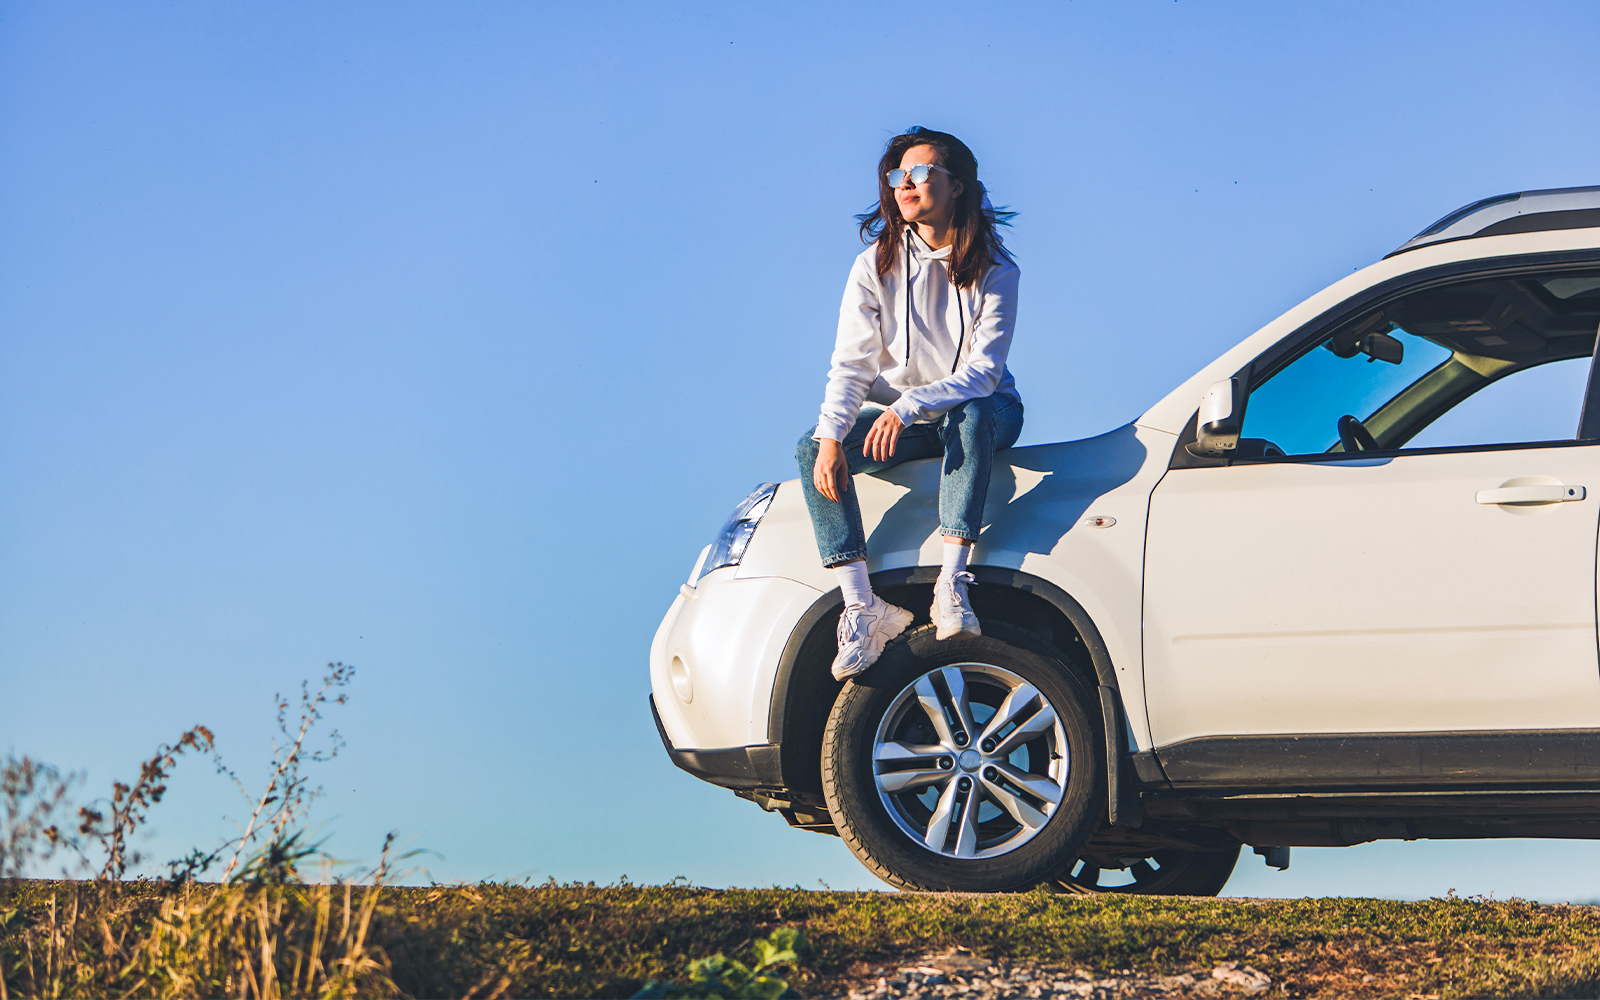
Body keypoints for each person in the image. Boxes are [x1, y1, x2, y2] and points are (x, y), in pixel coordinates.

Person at [796, 126, 1024, 682]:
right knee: (812, 449)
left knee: (969, 416)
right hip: (909, 418)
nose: (905, 184)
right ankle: (862, 606)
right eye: (898, 175)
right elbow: (852, 363)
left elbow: (982, 373)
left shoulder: (997, 270)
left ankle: (953, 581)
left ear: (958, 186)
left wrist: (905, 408)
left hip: (986, 409)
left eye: (920, 173)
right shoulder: (872, 264)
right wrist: (832, 438)